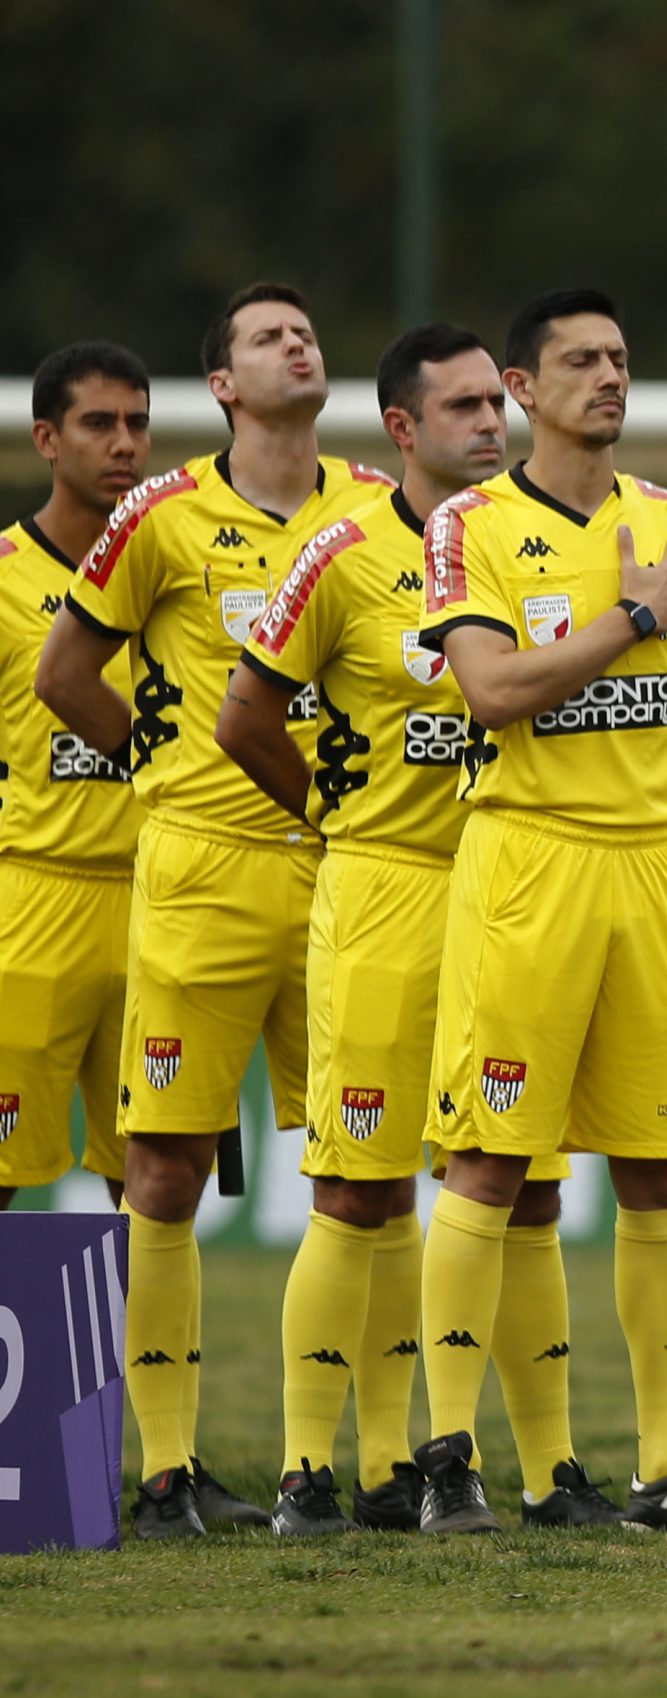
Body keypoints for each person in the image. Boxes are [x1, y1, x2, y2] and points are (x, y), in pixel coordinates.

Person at [218, 323, 600, 1534]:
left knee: (521, 1187)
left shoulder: (516, 542)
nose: (492, 425)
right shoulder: (340, 551)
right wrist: (337, 818)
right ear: (402, 428)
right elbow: (244, 718)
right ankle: (313, 1471)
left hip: (513, 889)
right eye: (466, 409)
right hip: (384, 891)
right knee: (358, 1189)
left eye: (499, 403)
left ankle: (542, 1471)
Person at [37, 283, 392, 1539]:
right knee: (166, 1169)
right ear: (227, 386)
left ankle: (335, 1469)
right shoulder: (165, 514)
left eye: (309, 327)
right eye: (267, 337)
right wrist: (160, 766)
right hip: (202, 870)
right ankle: (168, 1471)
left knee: (369, 1164)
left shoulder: (376, 508)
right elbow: (63, 673)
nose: (300, 341)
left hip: (350, 869)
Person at [413, 288, 667, 1534]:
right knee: (489, 1161)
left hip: (652, 867)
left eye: (621, 359)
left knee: (660, 1170)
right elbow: (490, 689)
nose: (609, 377)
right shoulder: (471, 525)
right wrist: (631, 617)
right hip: (528, 864)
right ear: (523, 392)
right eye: (580, 362)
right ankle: (449, 1460)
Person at [0, 344, 148, 1216]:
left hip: (161, 897)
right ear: (48, 440)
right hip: (38, 900)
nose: (123, 443)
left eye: (136, 423)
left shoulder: (172, 571)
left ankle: (141, 1359)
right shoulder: (6, 575)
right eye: (99, 424)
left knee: (154, 1181)